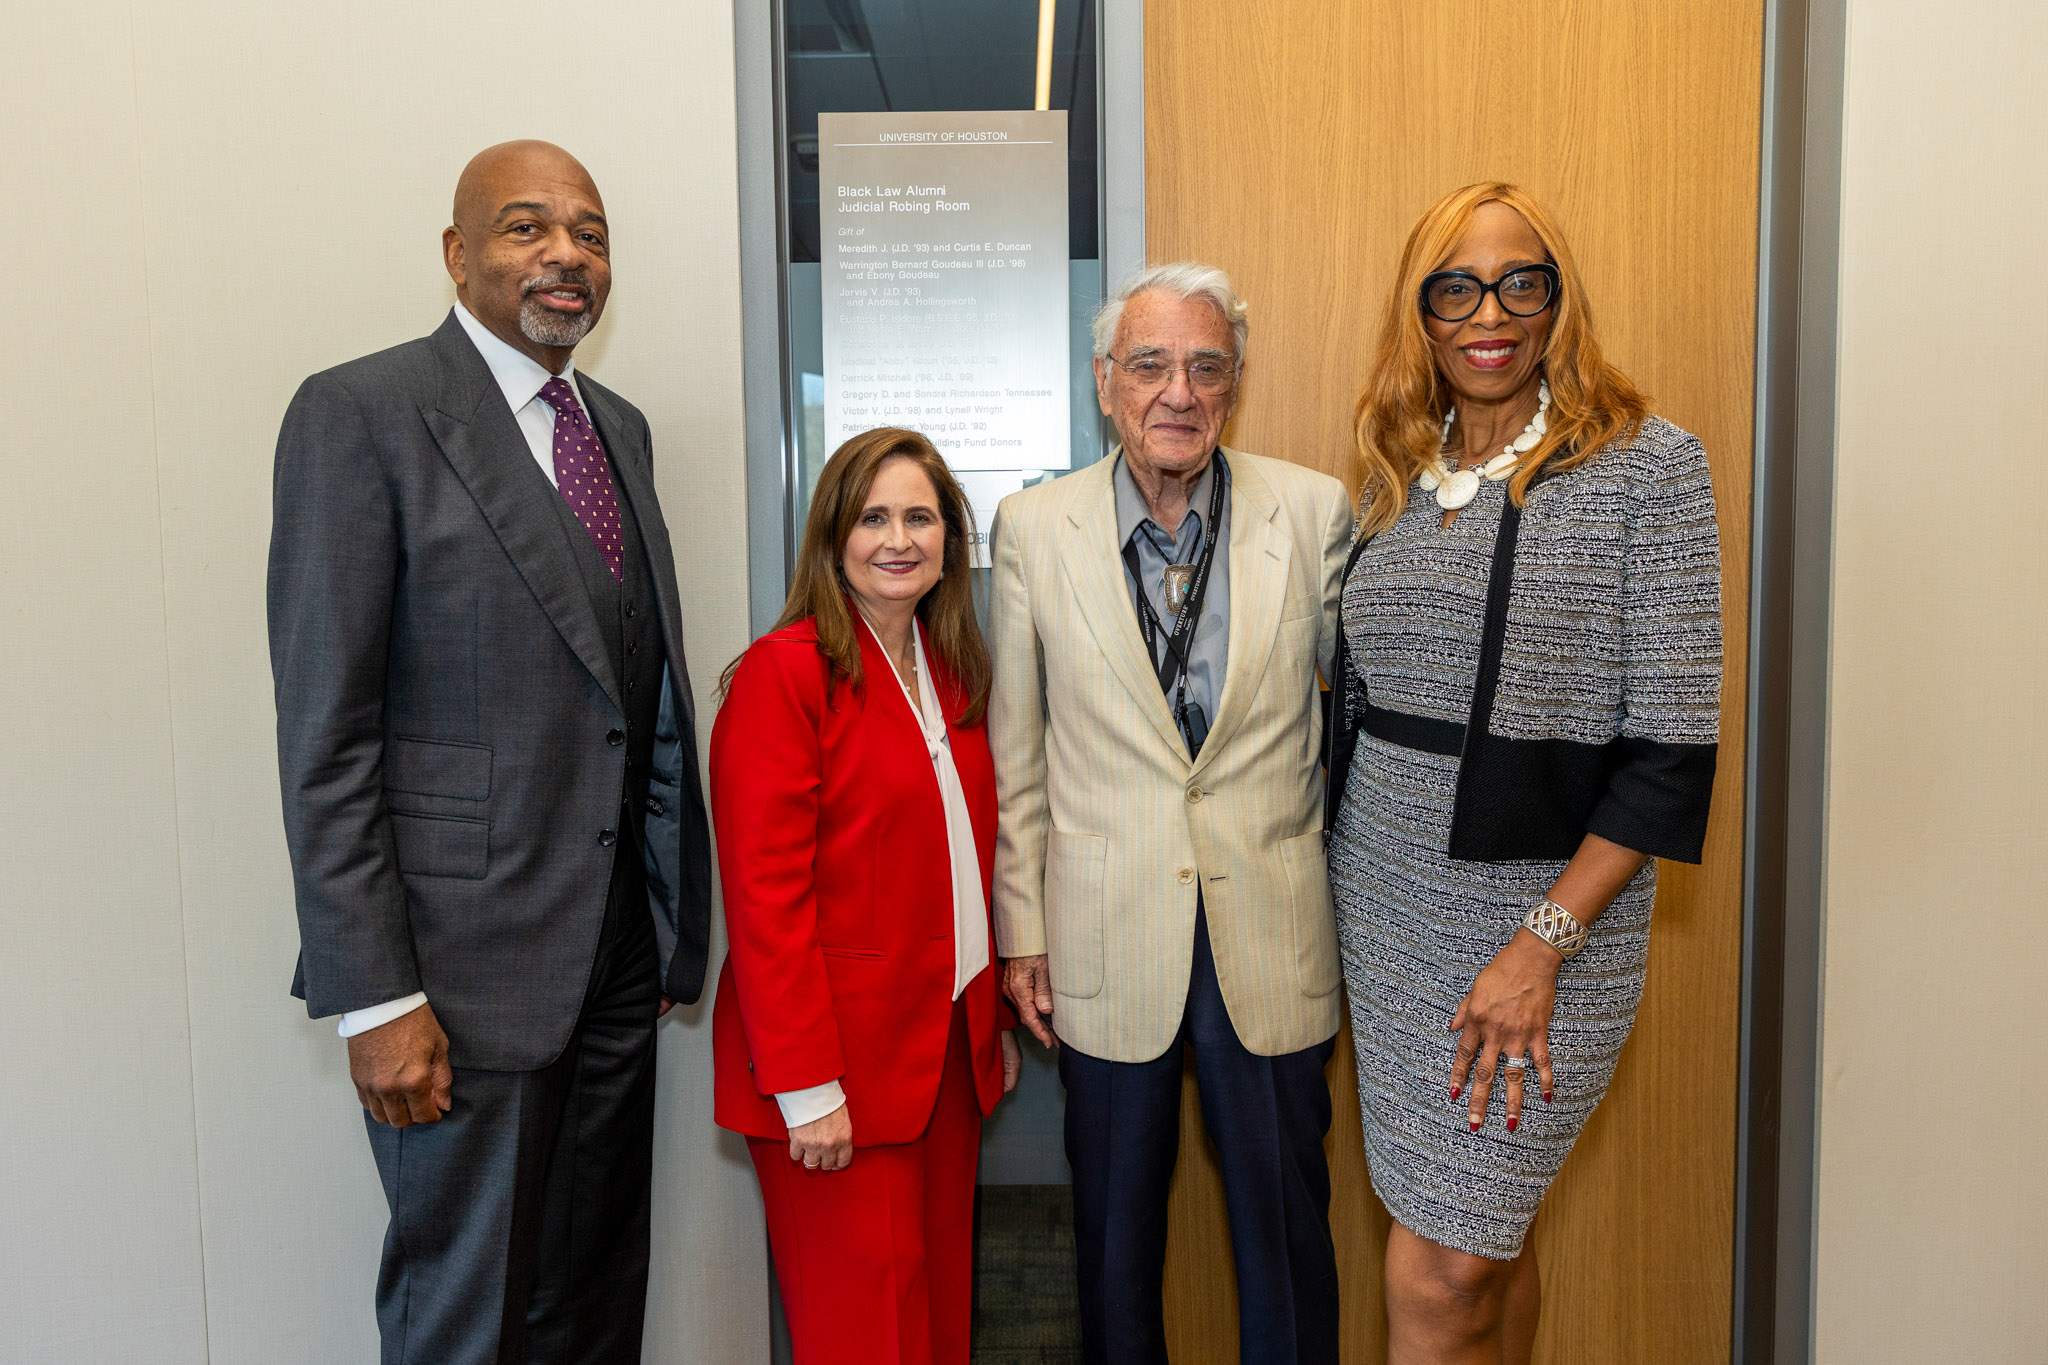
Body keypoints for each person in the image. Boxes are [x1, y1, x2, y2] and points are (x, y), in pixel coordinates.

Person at [267, 140, 713, 1365]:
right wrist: (377, 994)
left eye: (591, 232)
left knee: (591, 1296)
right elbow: (328, 733)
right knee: (467, 1318)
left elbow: (640, 693)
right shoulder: (359, 414)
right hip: (456, 982)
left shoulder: (613, 426)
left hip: (617, 956)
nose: (566, 254)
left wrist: (674, 918)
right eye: (526, 228)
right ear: (457, 254)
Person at [1324, 181, 1723, 1363]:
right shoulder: (1391, 473)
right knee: (1480, 1247)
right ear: (1422, 312)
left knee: (1441, 1267)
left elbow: (1668, 750)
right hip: (1384, 901)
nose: (1486, 312)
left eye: (1518, 280)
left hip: (1541, 915)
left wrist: (1539, 944)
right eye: (1454, 286)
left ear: (1556, 300)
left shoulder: (1646, 467)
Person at [990, 263, 1354, 1365]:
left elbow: (1364, 719)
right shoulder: (1030, 525)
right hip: (1102, 935)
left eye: (1204, 367)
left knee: (1287, 1240)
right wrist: (1023, 933)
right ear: (1105, 382)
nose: (1176, 393)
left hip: (1271, 928)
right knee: (1110, 1241)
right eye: (1148, 365)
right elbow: (1019, 752)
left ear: (1234, 385)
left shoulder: (1311, 508)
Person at [710, 427, 1022, 1365]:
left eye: (921, 516)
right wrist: (808, 1088)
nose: (900, 538)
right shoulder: (785, 672)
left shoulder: (952, 668)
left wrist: (990, 1014)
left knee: (934, 1324)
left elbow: (964, 860)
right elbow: (765, 899)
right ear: (833, 535)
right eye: (874, 516)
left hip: (941, 1061)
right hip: (835, 1072)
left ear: (950, 538)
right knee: (865, 1339)